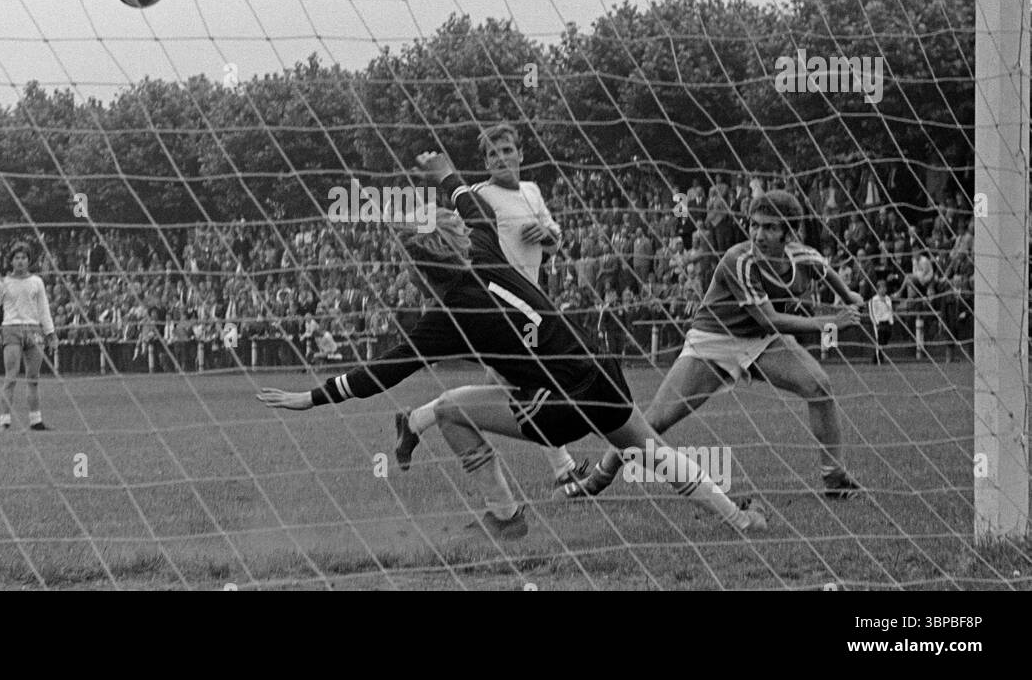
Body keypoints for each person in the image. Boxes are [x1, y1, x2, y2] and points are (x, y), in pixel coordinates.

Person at [257, 151, 766, 541]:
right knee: (652, 451)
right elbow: (473, 207)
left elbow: (383, 371)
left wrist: (311, 397)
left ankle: (505, 517)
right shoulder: (485, 246)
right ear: (456, 239)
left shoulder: (449, 315)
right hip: (599, 365)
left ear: (420, 267)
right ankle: (738, 519)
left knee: (452, 411)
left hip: (561, 401)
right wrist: (447, 174)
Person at [558, 191, 866, 501]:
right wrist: (831, 321)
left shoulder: (804, 257)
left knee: (819, 387)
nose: (759, 234)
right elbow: (769, 319)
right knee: (654, 423)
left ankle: (835, 479)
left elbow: (825, 271)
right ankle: (597, 479)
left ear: (788, 231)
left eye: (770, 227)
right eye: (755, 225)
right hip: (713, 342)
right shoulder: (739, 260)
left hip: (761, 342)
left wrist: (849, 295)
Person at [393, 124, 589, 493]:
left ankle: (416, 421)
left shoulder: (532, 192)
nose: (500, 159)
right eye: (492, 154)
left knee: (507, 390)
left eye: (506, 150)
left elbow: (554, 241)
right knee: (534, 384)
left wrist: (547, 237)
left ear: (520, 154)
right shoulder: (481, 195)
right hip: (498, 310)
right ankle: (564, 471)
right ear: (484, 162)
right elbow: (448, 234)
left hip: (531, 305)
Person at [0, 242, 57, 431]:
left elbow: (44, 310)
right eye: (17, 258)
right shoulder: (3, 284)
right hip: (12, 329)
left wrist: (51, 333)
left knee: (33, 377)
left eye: (23, 258)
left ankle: (36, 420)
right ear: (11, 261)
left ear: (29, 260)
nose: (20, 261)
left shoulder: (37, 282)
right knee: (11, 377)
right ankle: (5, 421)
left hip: (34, 330)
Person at [869, 280, 894, 364]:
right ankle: (879, 361)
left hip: (887, 322)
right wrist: (876, 322)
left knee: (884, 341)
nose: (883, 290)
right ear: (877, 289)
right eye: (881, 288)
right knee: (879, 341)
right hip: (879, 323)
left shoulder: (887, 298)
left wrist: (891, 321)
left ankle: (874, 358)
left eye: (884, 288)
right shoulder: (874, 300)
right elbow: (872, 312)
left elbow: (890, 310)